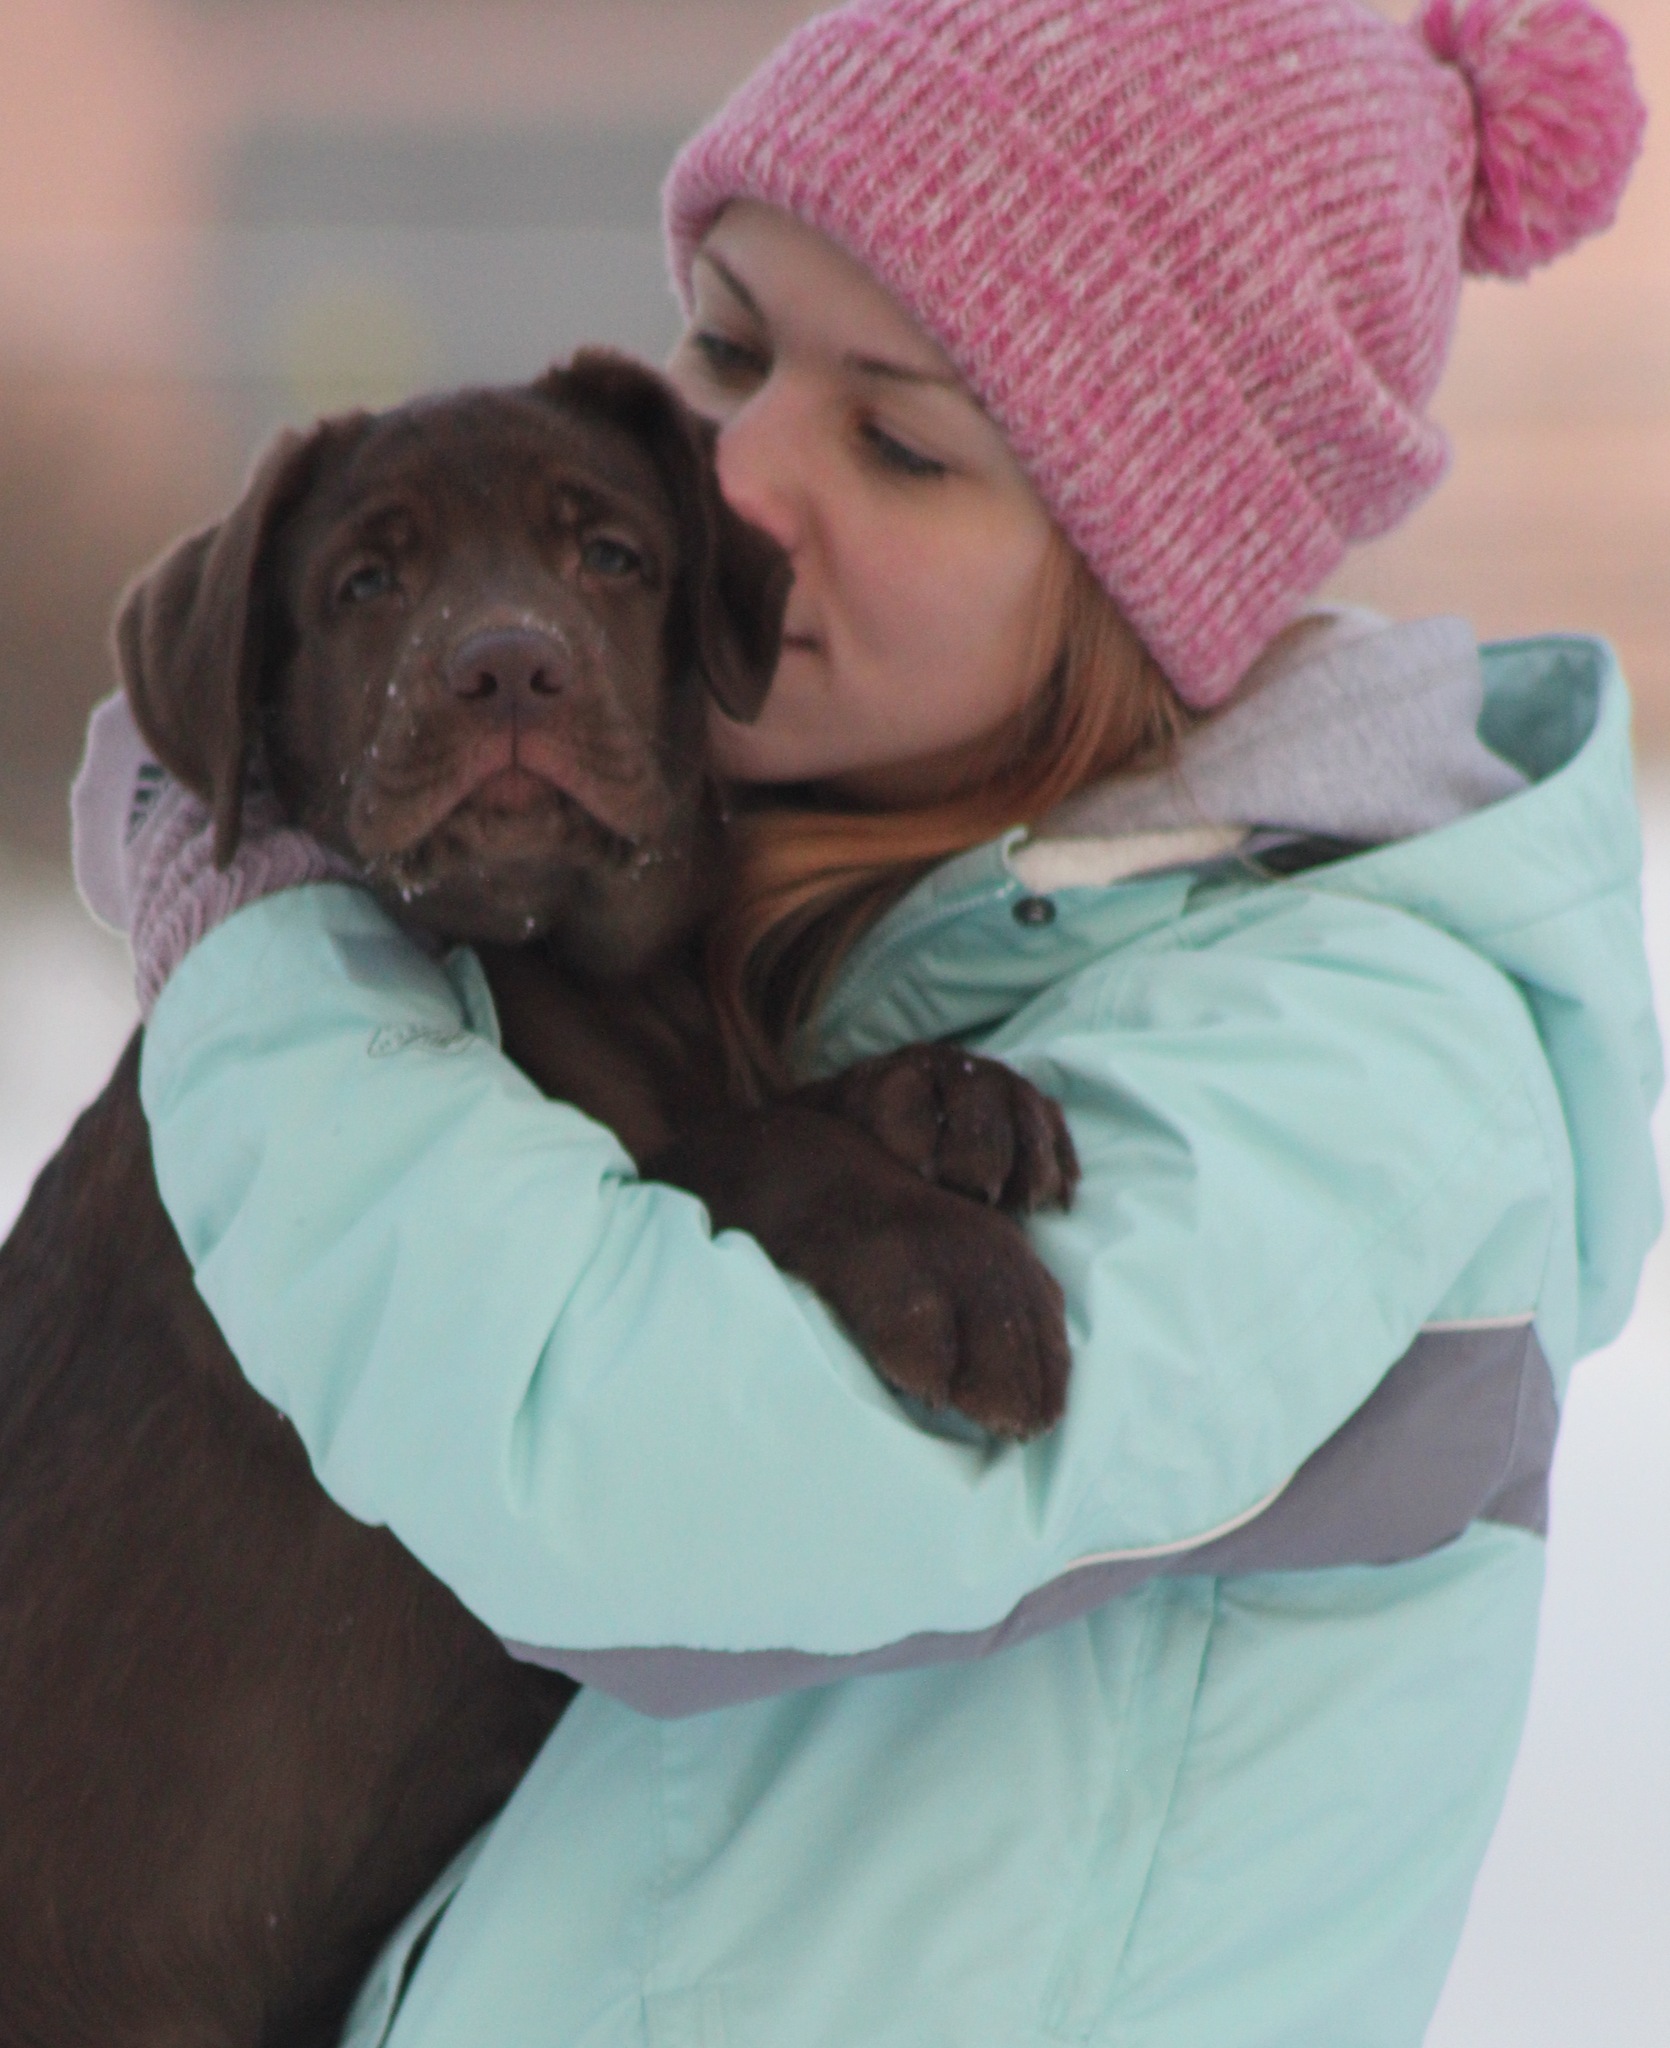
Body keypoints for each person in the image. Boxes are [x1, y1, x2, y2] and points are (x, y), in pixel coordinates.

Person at [72, 0, 1658, 2041]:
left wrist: (269, 963)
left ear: (1141, 574)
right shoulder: (799, 946)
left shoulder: (1363, 1066)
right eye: (729, 351)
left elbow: (638, 1472)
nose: (735, 483)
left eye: (897, 441)